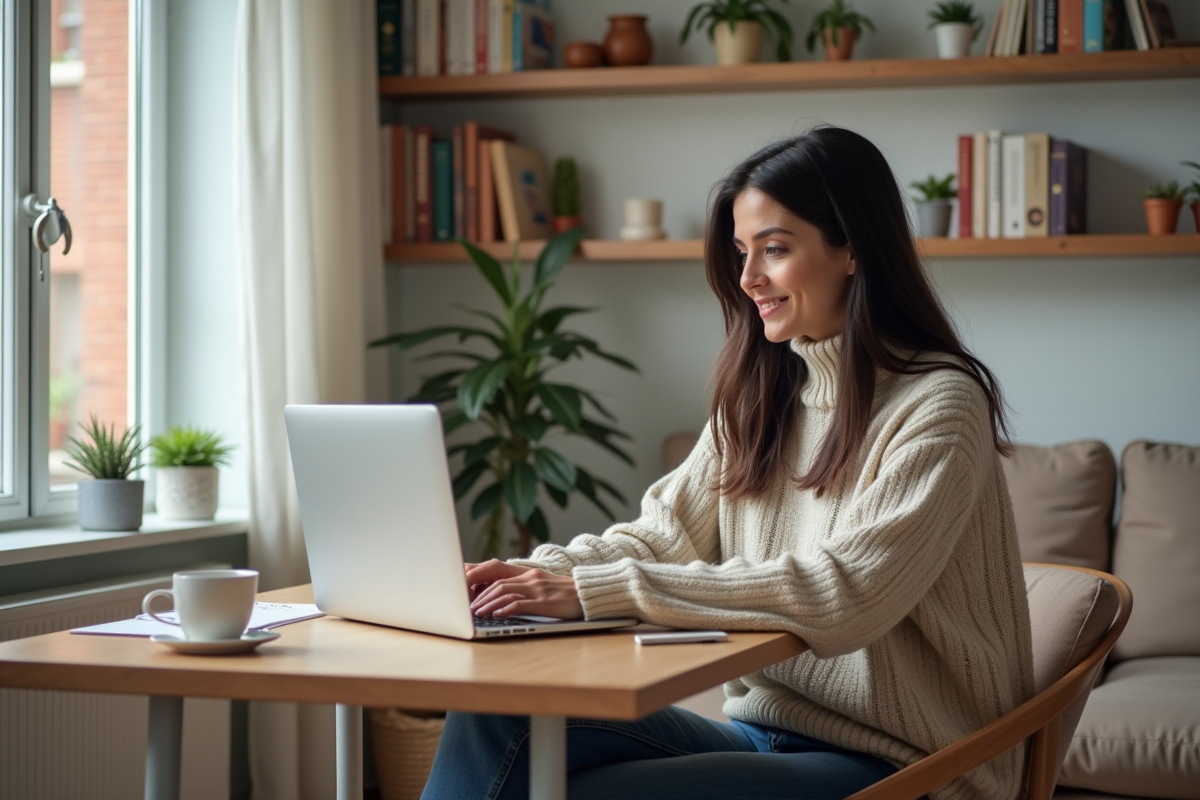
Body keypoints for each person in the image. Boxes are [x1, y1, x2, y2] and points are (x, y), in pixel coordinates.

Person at [421, 126, 1034, 800]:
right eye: (743, 252)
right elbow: (663, 536)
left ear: (853, 246)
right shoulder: (763, 393)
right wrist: (535, 576)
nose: (747, 279)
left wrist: (598, 591)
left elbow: (848, 594)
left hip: (909, 763)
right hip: (765, 732)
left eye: (774, 249)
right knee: (494, 708)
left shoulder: (939, 403)